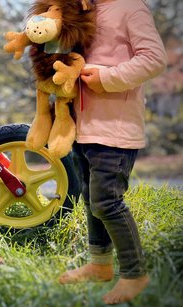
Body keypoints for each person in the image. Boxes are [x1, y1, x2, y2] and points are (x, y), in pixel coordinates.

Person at [57, 0, 167, 305]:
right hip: (84, 125)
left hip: (116, 128)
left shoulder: (131, 8)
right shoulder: (85, 10)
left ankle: (135, 274)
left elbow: (154, 59)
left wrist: (108, 78)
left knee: (107, 201)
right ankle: (100, 264)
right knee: (91, 199)